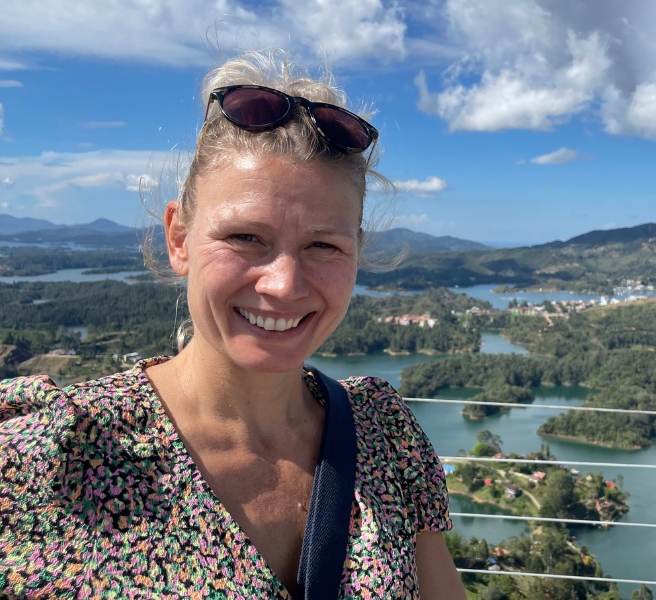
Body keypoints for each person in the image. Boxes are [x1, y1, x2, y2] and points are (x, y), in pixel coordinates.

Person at [0, 51, 466, 599]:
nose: (284, 284)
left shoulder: (384, 437)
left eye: (323, 245)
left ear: (356, 253)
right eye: (245, 237)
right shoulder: (45, 455)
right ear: (179, 239)